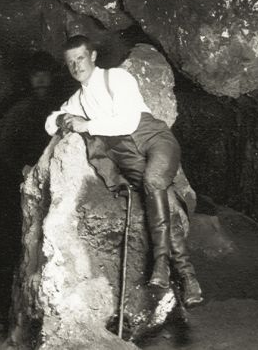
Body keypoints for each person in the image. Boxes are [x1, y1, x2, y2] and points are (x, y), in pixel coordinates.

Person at [45, 35, 204, 307]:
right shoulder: (79, 99)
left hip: (154, 139)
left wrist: (87, 125)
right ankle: (189, 279)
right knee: (162, 199)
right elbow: (49, 122)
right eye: (70, 62)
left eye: (80, 58)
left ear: (93, 57)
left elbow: (128, 120)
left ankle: (162, 265)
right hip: (130, 154)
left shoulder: (116, 78)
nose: (76, 66)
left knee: (154, 181)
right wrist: (63, 118)